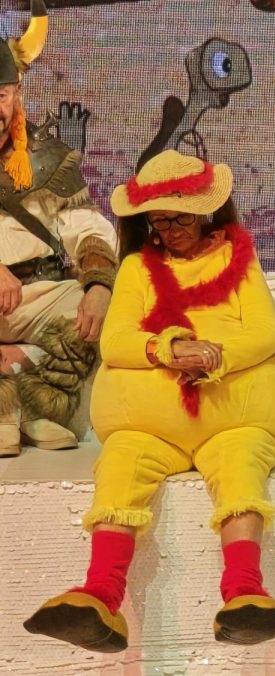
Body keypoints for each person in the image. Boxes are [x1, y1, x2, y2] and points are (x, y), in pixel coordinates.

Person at [24, 150, 275, 653]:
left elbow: (264, 332)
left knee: (240, 467)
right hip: (151, 426)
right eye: (159, 221)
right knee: (121, 464)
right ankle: (100, 595)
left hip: (233, 418)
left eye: (181, 219)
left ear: (205, 212)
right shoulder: (137, 267)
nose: (171, 231)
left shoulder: (238, 259)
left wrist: (216, 356)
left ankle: (245, 592)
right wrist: (167, 349)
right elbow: (116, 342)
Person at [0, 0, 118, 456]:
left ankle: (35, 403)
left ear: (17, 94)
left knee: (99, 308)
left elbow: (85, 225)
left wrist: (100, 284)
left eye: (2, 95)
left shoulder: (47, 156)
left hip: (35, 293)